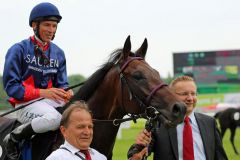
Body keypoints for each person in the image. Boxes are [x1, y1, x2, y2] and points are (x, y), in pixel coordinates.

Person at [2, 2, 73, 159]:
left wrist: (66, 92)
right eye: (47, 25)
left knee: (77, 111)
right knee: (55, 119)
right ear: (34, 25)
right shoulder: (17, 50)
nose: (51, 30)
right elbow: (12, 87)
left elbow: (62, 84)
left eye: (54, 26)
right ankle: (14, 137)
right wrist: (43, 93)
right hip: (24, 103)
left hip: (49, 102)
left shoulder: (58, 53)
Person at [128, 75, 228, 160]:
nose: (190, 98)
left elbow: (220, 157)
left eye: (193, 93)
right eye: (184, 94)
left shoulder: (209, 123)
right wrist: (137, 151)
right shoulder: (159, 123)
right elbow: (140, 152)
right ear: (171, 96)